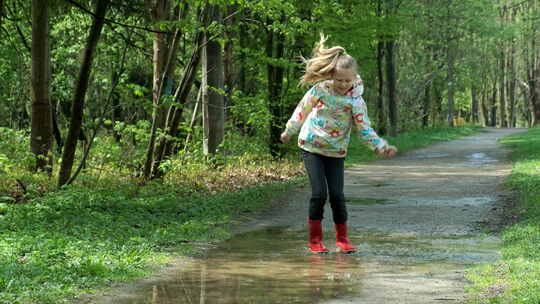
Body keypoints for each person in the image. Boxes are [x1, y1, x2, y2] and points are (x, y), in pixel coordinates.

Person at [280, 35, 397, 254]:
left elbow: (364, 128)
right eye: (339, 80)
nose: (343, 85)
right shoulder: (320, 90)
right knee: (318, 194)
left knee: (337, 196)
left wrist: (381, 146)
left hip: (336, 152)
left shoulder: (356, 101)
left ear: (354, 78)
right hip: (312, 146)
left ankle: (342, 240)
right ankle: (315, 240)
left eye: (347, 81)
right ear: (332, 75)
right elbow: (302, 110)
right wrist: (289, 130)